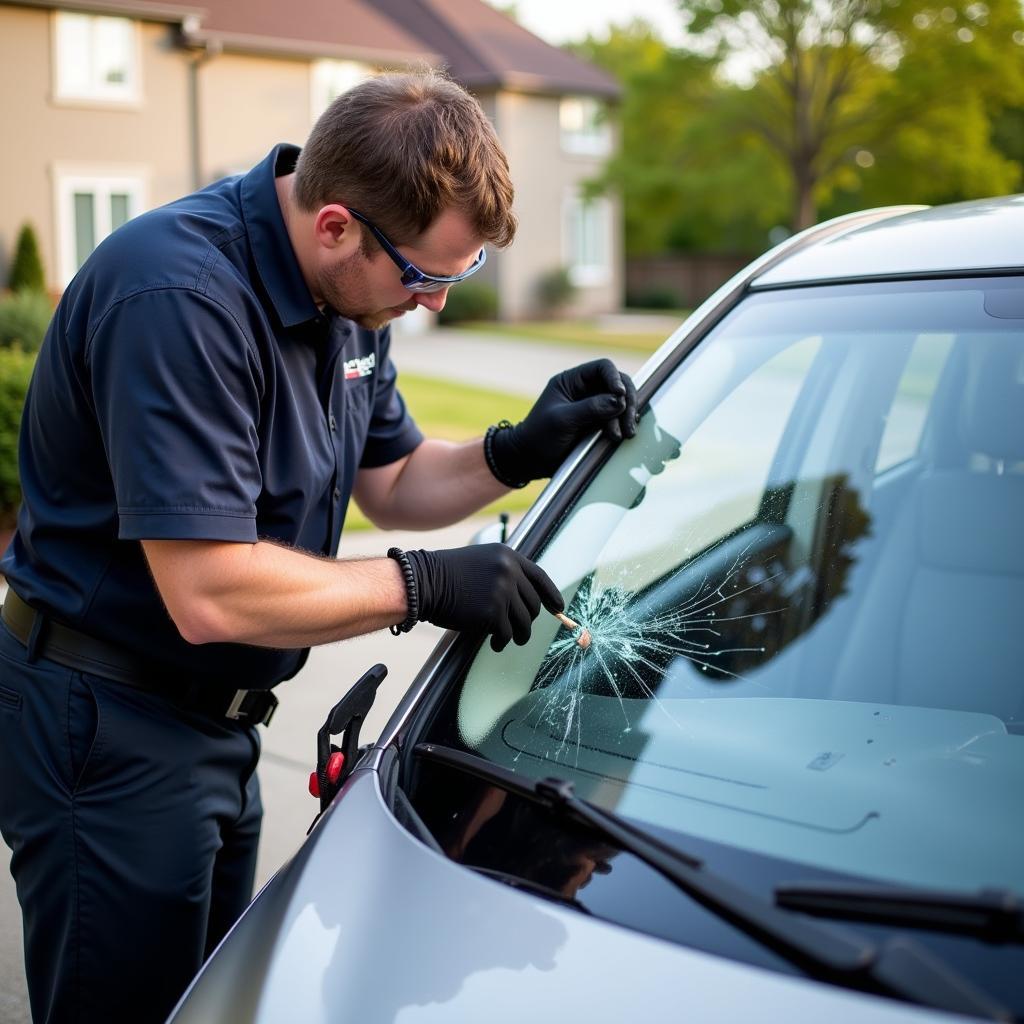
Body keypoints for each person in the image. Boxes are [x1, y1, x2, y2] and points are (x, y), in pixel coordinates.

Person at [0, 71, 636, 1023]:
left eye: (454, 278)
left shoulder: (347, 295)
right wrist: (422, 585)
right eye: (425, 275)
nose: (435, 306)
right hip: (107, 721)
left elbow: (396, 480)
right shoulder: (178, 295)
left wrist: (516, 450)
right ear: (336, 224)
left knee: (207, 1000)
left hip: (214, 722)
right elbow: (209, 592)